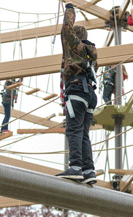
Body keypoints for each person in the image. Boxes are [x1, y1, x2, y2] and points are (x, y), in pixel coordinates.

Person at [56, 0, 98, 185]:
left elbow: (66, 26)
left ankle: (75, 166)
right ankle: (88, 170)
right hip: (89, 93)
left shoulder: (74, 45)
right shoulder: (89, 52)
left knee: (73, 130)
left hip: (77, 90)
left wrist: (70, 7)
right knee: (84, 133)